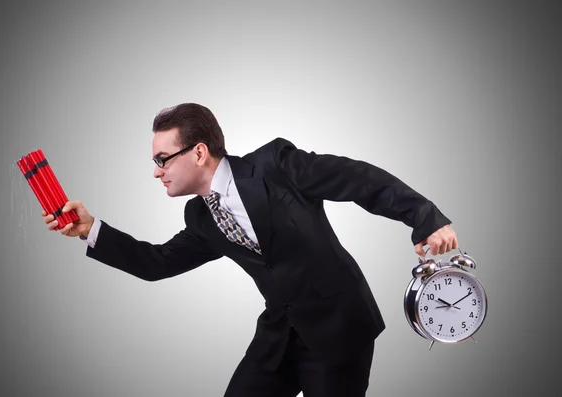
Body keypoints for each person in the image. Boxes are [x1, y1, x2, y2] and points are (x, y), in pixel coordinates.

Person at [42, 103, 457, 396]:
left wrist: (425, 217)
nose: (156, 171)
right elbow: (158, 263)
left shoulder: (275, 166)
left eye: (163, 159)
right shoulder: (201, 218)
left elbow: (357, 180)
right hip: (280, 336)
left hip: (338, 330)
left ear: (199, 152)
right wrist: (90, 229)